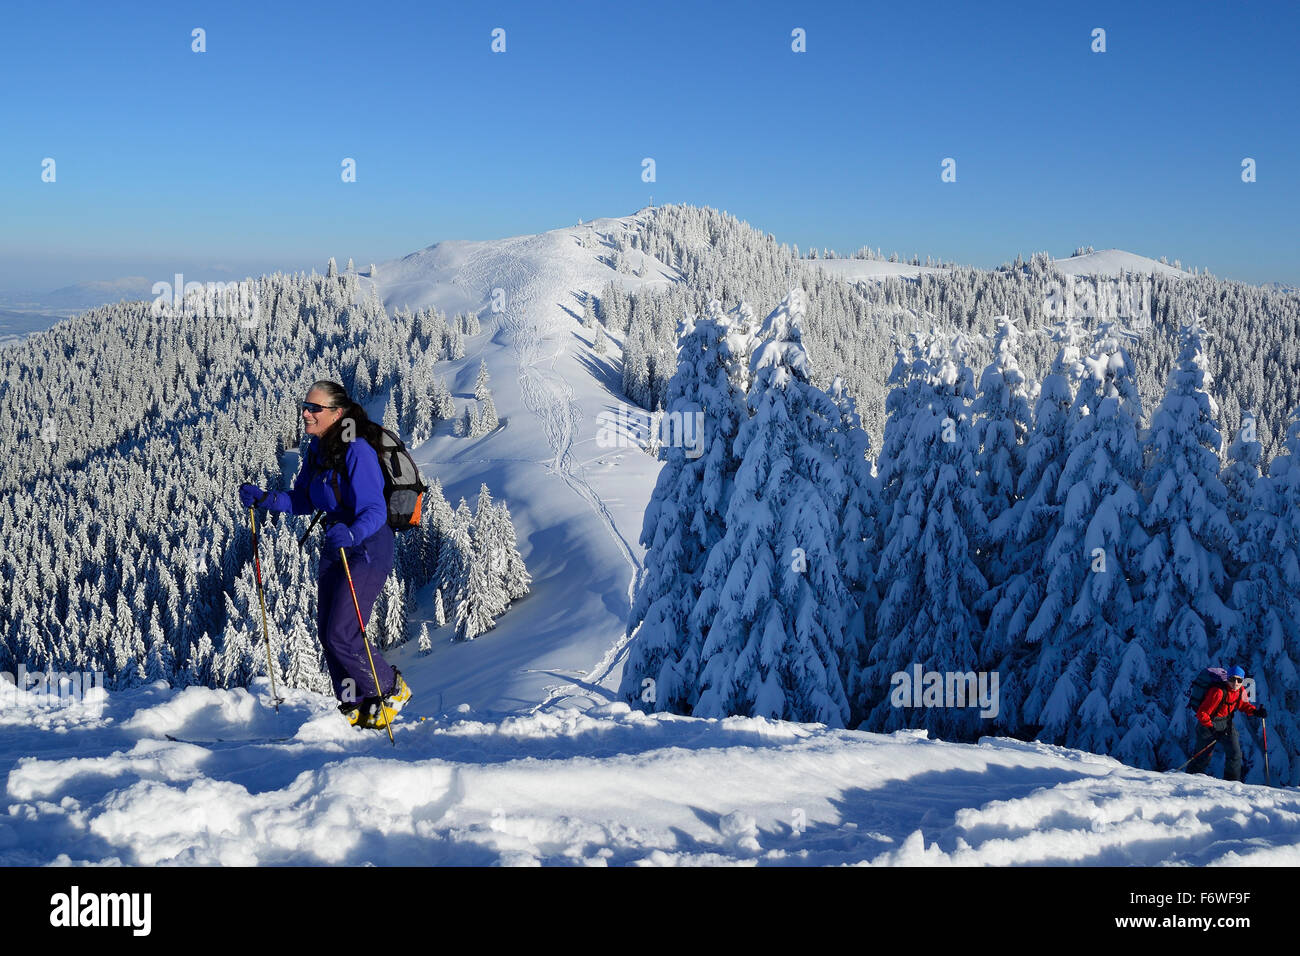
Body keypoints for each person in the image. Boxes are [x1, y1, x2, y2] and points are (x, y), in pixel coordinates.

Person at [239, 380, 412, 729]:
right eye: (305, 406)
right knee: (327, 633)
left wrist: (351, 532)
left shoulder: (357, 450)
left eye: (314, 408)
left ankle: (391, 689)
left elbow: (375, 510)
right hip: (336, 547)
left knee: (342, 632)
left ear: (338, 413)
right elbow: (304, 499)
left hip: (366, 547)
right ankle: (354, 705)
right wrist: (266, 499)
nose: (305, 412)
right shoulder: (317, 451)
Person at [1188, 665, 1265, 780]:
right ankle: (1189, 780)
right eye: (1232, 679)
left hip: (1226, 724)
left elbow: (1244, 705)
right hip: (1207, 725)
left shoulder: (1240, 691)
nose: (1235, 683)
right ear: (1227, 678)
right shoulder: (1218, 692)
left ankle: (1231, 784)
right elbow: (1202, 713)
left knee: (1235, 754)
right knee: (1202, 757)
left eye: (1239, 680)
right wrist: (1212, 729)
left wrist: (1256, 712)